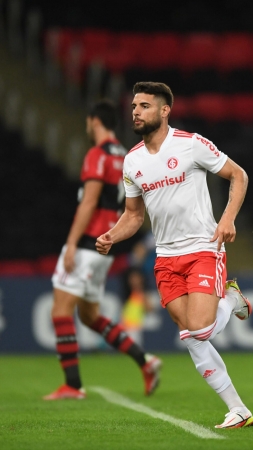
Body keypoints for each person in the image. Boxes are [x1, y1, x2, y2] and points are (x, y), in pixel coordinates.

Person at [96, 81, 253, 429]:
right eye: (135, 105)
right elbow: (134, 215)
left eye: (145, 106)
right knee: (190, 337)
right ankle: (238, 409)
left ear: (165, 110)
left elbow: (238, 175)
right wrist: (112, 235)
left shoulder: (191, 144)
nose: (136, 111)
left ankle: (229, 300)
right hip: (166, 257)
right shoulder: (132, 160)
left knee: (200, 330)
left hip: (202, 247)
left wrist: (227, 218)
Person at [44, 100, 162, 401]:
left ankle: (72, 385)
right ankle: (144, 360)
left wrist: (71, 243)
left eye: (88, 122)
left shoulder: (97, 154)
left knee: (60, 310)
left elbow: (88, 202)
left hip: (87, 243)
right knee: (90, 315)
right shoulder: (126, 154)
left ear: (94, 121)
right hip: (106, 245)